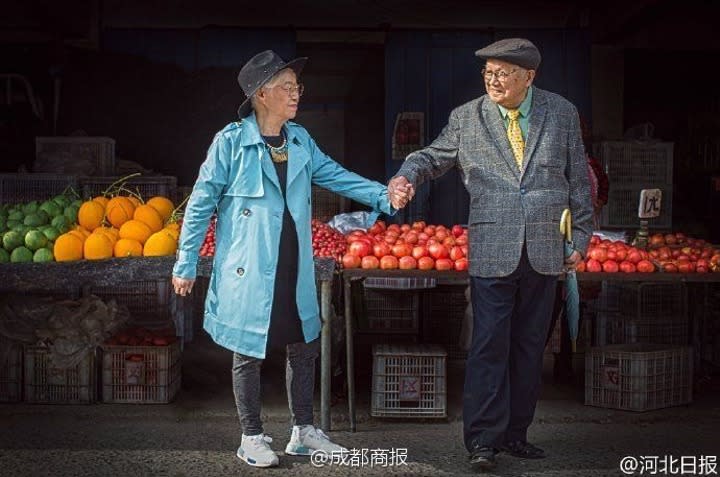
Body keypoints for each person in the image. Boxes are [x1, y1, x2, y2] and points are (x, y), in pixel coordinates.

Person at [172, 50, 408, 469]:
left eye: (297, 86)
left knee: (304, 344)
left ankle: (303, 432)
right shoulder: (230, 143)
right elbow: (199, 205)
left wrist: (381, 194)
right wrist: (185, 263)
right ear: (262, 94)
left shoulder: (299, 140)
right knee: (248, 350)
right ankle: (251, 436)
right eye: (287, 86)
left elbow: (335, 174)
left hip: (293, 263)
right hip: (249, 268)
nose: (296, 92)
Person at [388, 38, 593, 472]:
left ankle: (516, 434)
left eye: (502, 73)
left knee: (530, 346)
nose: (493, 81)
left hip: (544, 247)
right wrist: (405, 177)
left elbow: (579, 180)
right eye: (488, 73)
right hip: (493, 248)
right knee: (487, 346)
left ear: (529, 77)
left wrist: (581, 239)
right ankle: (482, 439)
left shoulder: (561, 112)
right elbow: (430, 157)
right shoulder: (468, 117)